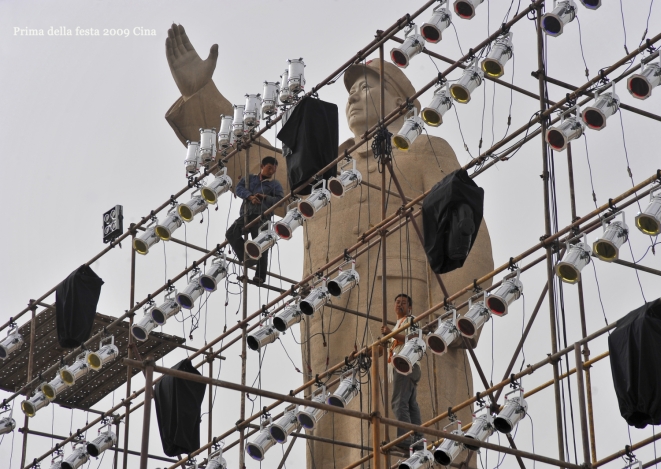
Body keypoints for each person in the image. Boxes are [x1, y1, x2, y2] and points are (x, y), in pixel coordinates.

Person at [164, 24, 495, 468]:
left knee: (403, 438)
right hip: (330, 326)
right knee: (339, 442)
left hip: (401, 313)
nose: (353, 97)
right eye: (351, 90)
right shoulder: (328, 172)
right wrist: (203, 96)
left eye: (366, 87)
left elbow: (466, 231)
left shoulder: (424, 151)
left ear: (401, 101)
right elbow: (261, 167)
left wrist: (454, 317)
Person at [225, 156, 283, 283]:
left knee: (262, 244)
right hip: (246, 214)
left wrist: (264, 197)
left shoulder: (274, 185)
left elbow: (281, 201)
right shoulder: (250, 179)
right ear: (262, 166)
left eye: (273, 170)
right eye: (269, 168)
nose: (271, 171)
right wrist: (250, 197)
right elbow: (239, 188)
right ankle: (247, 257)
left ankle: (260, 277)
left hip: (262, 216)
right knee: (231, 233)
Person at [382, 293, 422, 450]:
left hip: (405, 365)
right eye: (397, 302)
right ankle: (418, 440)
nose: (399, 304)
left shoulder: (411, 320)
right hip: (406, 367)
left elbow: (413, 339)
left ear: (409, 307)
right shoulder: (399, 324)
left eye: (403, 303)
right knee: (411, 405)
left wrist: (391, 333)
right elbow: (389, 346)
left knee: (399, 403)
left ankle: (405, 439)